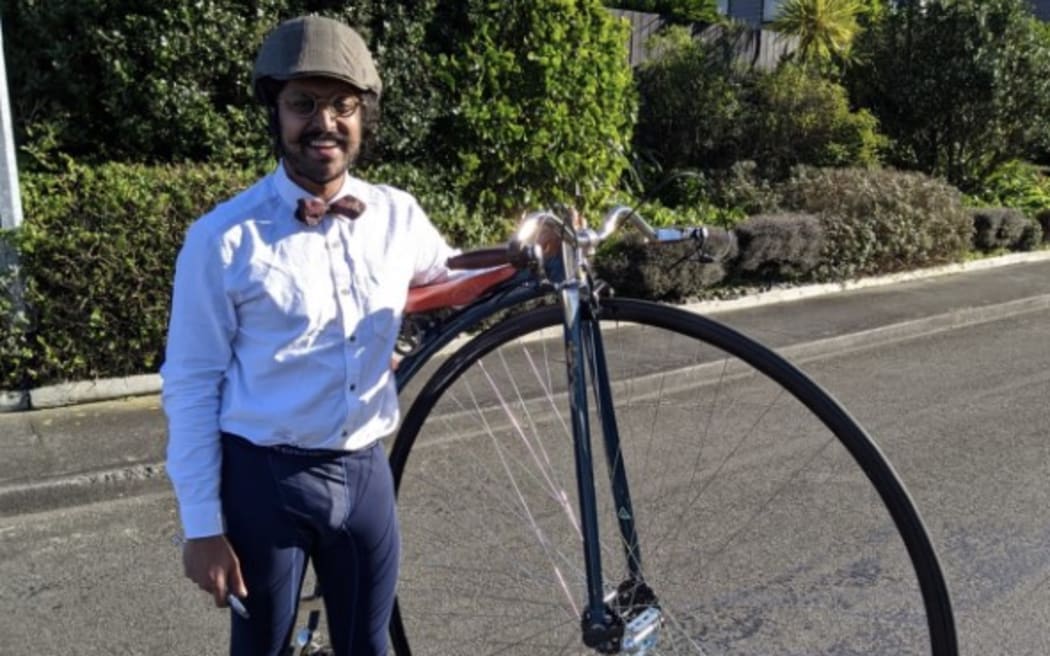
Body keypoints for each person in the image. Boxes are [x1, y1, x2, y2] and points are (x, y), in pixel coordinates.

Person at [161, 15, 458, 656]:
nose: (325, 122)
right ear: (276, 113)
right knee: (261, 648)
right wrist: (202, 528)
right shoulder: (222, 239)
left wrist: (531, 250)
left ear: (363, 116)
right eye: (304, 104)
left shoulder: (397, 215)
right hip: (265, 481)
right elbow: (190, 384)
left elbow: (451, 275)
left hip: (364, 472)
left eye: (342, 105)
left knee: (368, 645)